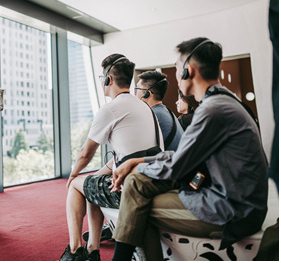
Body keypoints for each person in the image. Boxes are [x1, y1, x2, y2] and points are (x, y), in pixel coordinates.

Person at [109, 38, 269, 261]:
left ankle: (121, 258)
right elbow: (186, 154)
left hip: (232, 211)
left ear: (188, 71)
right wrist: (138, 162)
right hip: (238, 199)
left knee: (137, 205)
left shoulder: (212, 110)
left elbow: (177, 166)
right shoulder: (223, 100)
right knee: (137, 183)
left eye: (176, 68)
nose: (175, 74)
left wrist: (137, 167)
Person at [60, 54, 161, 261]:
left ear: (108, 80)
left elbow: (85, 153)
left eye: (101, 78)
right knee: (92, 182)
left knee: (76, 185)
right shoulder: (144, 107)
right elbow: (133, 153)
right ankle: (92, 249)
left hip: (129, 191)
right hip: (152, 181)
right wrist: (94, 175)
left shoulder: (111, 109)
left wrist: (72, 177)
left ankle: (74, 250)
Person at [135, 71, 184, 151]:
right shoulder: (165, 111)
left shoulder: (153, 115)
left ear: (147, 93)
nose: (135, 94)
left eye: (137, 89)